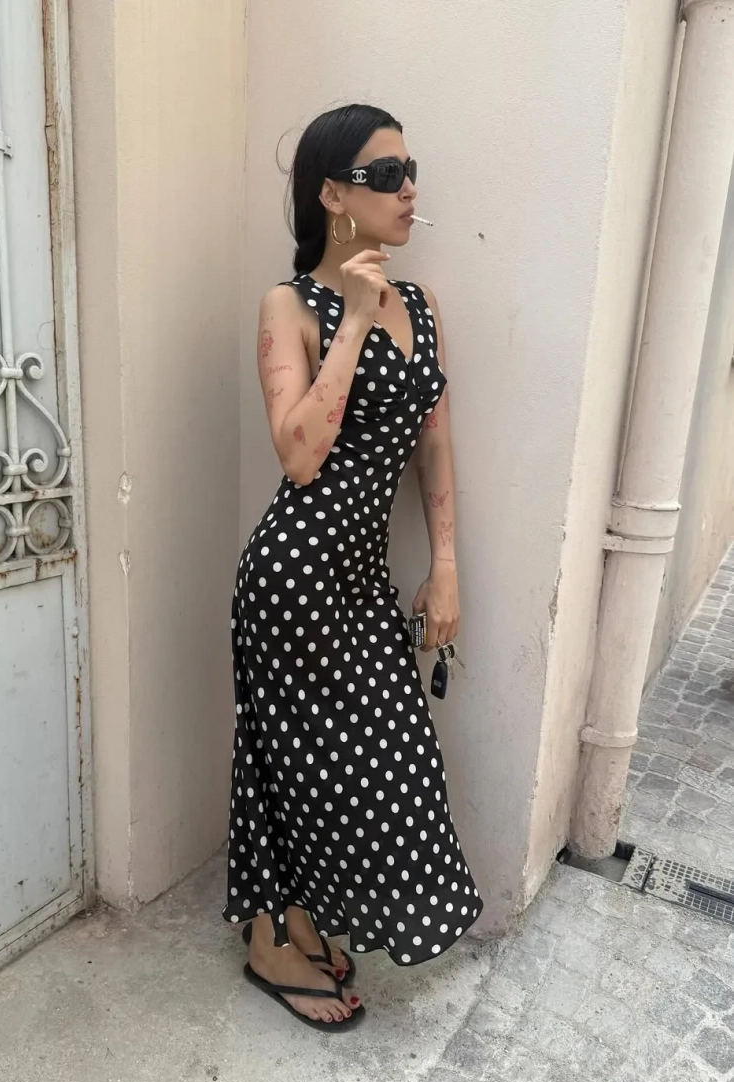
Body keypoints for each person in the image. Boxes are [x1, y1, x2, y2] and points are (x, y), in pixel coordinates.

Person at [223, 104, 483, 1031]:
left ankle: (297, 918)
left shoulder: (424, 306)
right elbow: (299, 456)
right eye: (386, 175)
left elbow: (433, 445)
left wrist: (445, 564)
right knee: (286, 761)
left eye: (411, 169)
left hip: (361, 579)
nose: (408, 189)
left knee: (384, 763)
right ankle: (269, 939)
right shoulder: (288, 306)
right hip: (293, 577)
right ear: (333, 196)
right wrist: (354, 323)